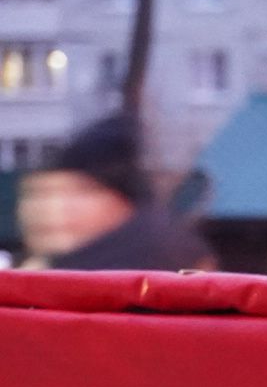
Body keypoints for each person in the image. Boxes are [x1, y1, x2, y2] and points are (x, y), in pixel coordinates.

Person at [15, 115, 213, 273]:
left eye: (83, 191)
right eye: (36, 193)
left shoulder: (154, 267)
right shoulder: (49, 269)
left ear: (124, 201)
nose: (52, 208)